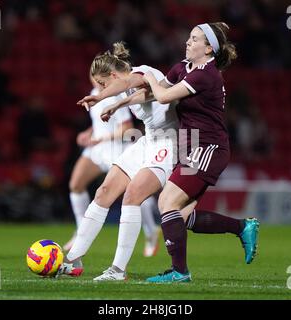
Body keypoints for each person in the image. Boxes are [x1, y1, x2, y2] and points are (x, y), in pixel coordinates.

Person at [140, 22, 260, 283]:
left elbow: (162, 96)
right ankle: (242, 227)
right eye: (189, 37)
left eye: (194, 39)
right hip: (190, 142)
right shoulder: (184, 67)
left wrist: (147, 76)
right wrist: (115, 102)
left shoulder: (207, 74)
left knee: (166, 203)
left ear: (208, 49)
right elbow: (152, 94)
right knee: (180, 216)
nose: (188, 42)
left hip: (207, 146)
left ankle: (180, 273)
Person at [57, 42, 179, 281]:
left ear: (112, 75)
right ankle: (73, 258)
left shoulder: (144, 72)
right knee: (103, 192)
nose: (99, 88)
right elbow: (139, 95)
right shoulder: (127, 87)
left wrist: (103, 97)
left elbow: (127, 84)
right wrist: (114, 105)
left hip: (169, 142)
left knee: (132, 196)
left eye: (102, 83)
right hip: (148, 140)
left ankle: (117, 270)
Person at [64, 76, 161, 258]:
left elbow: (127, 129)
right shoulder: (94, 94)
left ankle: (151, 231)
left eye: (98, 77)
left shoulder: (116, 95)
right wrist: (88, 133)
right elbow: (100, 122)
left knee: (135, 192)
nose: (94, 80)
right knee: (76, 184)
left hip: (116, 149)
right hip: (97, 150)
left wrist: (100, 139)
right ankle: (80, 230)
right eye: (92, 75)